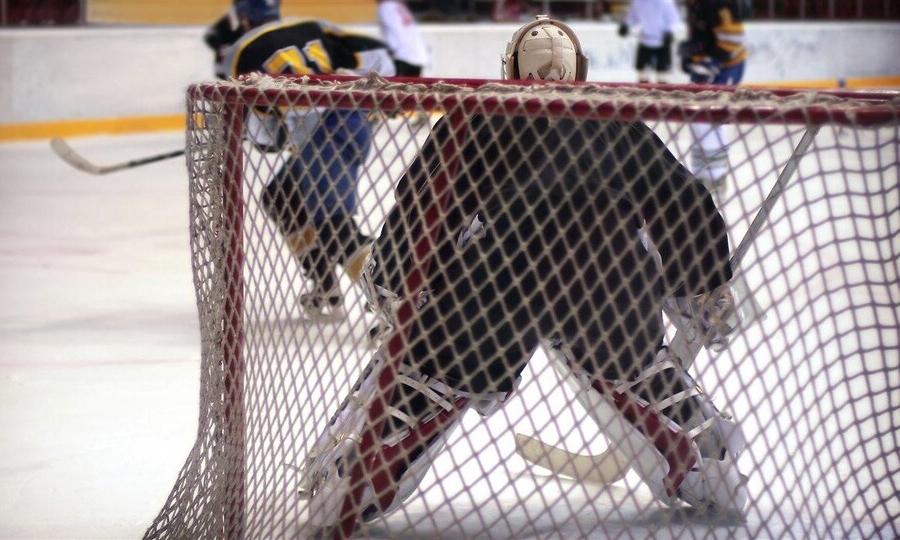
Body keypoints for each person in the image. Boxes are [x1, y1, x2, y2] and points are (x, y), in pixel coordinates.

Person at [299, 15, 747, 534]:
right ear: (580, 72)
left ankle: (374, 456)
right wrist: (706, 284)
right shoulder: (617, 122)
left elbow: (423, 207)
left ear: (509, 70)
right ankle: (696, 445)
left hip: (496, 289)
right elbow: (683, 204)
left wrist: (397, 285)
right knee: (624, 342)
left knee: (445, 353)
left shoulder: (479, 117)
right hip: (605, 286)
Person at [211, 0, 396, 318]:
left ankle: (397, 309)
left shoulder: (239, 53)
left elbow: (267, 137)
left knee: (334, 226)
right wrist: (365, 90)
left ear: (243, 17)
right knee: (280, 196)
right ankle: (325, 286)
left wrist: (254, 131)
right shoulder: (312, 26)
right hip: (349, 119)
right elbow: (379, 57)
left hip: (324, 136)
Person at [680, 0, 749, 189]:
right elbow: (703, 32)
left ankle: (716, 178)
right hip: (708, 65)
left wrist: (713, 62)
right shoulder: (694, 4)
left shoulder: (718, 3)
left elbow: (733, 39)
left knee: (715, 119)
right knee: (697, 118)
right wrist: (693, 54)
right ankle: (702, 176)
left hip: (727, 67)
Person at [618, 0, 681, 84]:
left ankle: (661, 95)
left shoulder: (665, 2)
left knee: (662, 75)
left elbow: (674, 20)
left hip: (662, 41)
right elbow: (633, 16)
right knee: (643, 74)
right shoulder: (638, 1)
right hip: (645, 40)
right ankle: (643, 95)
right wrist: (626, 25)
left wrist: (670, 32)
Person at [377, 0, 429, 77]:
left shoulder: (386, 7)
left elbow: (393, 31)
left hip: (402, 56)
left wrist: (391, 50)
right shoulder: (398, 7)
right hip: (416, 55)